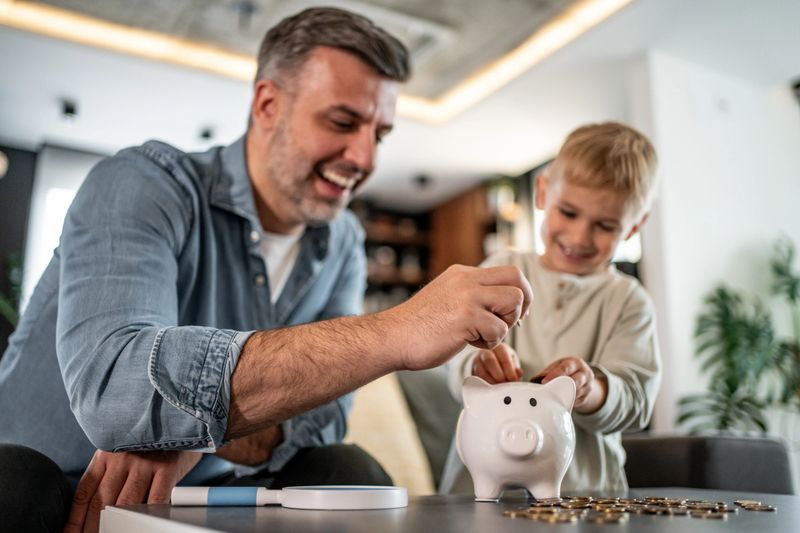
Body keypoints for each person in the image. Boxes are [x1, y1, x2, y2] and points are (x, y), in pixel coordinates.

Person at [0, 7, 532, 532]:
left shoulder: (343, 240)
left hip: (196, 497)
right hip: (52, 485)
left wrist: (188, 438)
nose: (365, 157)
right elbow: (116, 394)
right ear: (268, 104)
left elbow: (324, 420)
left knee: (346, 471)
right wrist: (400, 328)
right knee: (16, 482)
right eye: (343, 122)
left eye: (380, 133)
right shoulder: (141, 182)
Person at [444, 122, 662, 494]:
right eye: (569, 212)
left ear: (634, 226)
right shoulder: (500, 269)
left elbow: (637, 401)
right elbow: (455, 356)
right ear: (543, 192)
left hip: (586, 499)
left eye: (605, 225)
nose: (579, 237)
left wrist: (592, 390)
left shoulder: (629, 301)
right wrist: (477, 364)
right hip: (478, 491)